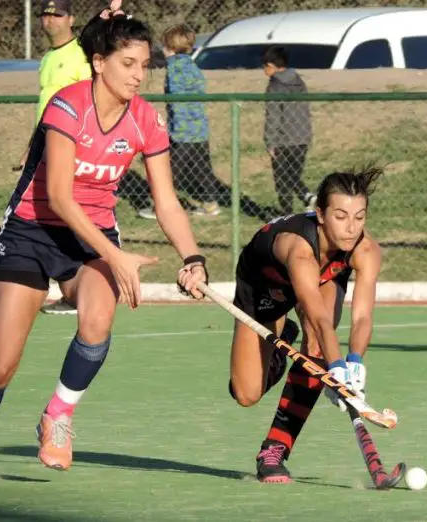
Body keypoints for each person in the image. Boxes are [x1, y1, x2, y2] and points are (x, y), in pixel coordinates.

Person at [0, 5, 208, 482]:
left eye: (144, 65)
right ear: (99, 62)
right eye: (127, 64)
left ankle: (58, 414)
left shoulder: (146, 120)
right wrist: (116, 255)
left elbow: (167, 202)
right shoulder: (67, 105)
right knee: (0, 366)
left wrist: (193, 258)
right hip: (32, 231)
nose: (138, 75)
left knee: (98, 317)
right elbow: (58, 194)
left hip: (90, 237)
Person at [226, 166, 385, 483]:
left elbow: (363, 317)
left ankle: (275, 449)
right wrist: (335, 368)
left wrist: (354, 364)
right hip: (264, 287)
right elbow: (320, 318)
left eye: (359, 217)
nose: (351, 228)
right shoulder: (299, 250)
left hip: (321, 280)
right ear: (321, 215)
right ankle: (280, 342)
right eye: (340, 216)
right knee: (246, 394)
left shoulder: (366, 250)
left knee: (316, 348)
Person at [14, 0, 92, 315]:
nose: (50, 21)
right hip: (44, 143)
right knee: (44, 214)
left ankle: (87, 288)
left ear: (70, 19)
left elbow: (90, 100)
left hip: (70, 145)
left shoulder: (80, 54)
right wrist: (31, 147)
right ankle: (67, 290)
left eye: (57, 15)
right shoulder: (48, 58)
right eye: (45, 15)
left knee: (70, 213)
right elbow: (46, 106)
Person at [141, 23, 221, 218]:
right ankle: (210, 204)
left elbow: (177, 101)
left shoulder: (175, 67)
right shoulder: (192, 65)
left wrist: (174, 131)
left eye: (164, 46)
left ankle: (160, 207)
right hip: (199, 130)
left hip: (182, 133)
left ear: (170, 48)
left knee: (168, 171)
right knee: (202, 168)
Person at [262, 45, 316, 215]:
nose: (263, 70)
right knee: (293, 175)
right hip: (302, 138)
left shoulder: (275, 86)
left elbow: (273, 116)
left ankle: (289, 213)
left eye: (264, 66)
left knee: (282, 180)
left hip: (283, 140)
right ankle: (306, 198)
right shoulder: (299, 82)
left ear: (271, 66)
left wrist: (270, 142)